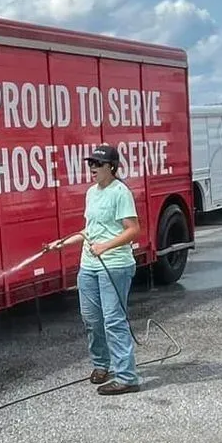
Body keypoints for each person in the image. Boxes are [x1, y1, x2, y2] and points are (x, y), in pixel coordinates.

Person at [45, 145, 142, 395]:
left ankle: (127, 377)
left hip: (115, 265)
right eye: (90, 164)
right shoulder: (91, 193)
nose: (92, 168)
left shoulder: (120, 192)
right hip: (88, 265)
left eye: (97, 164)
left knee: (113, 321)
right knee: (91, 318)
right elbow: (90, 230)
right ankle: (101, 365)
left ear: (112, 166)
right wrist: (62, 243)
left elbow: (133, 230)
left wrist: (106, 246)